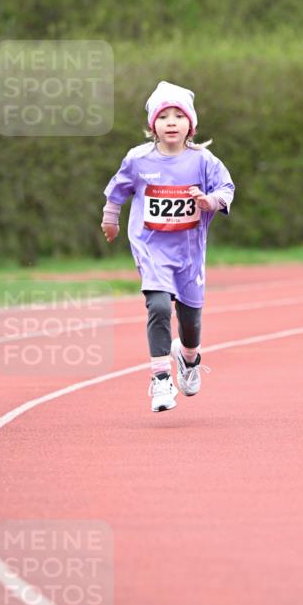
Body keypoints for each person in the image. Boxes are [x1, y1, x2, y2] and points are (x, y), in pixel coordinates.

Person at [101, 81, 235, 412]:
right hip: (151, 248)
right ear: (152, 125)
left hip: (189, 253)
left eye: (178, 116)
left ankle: (189, 358)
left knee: (190, 320)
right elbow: (117, 190)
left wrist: (210, 201)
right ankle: (161, 379)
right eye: (163, 117)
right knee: (159, 306)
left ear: (191, 124)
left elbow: (226, 188)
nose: (171, 123)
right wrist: (110, 219)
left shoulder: (203, 160)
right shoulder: (138, 159)